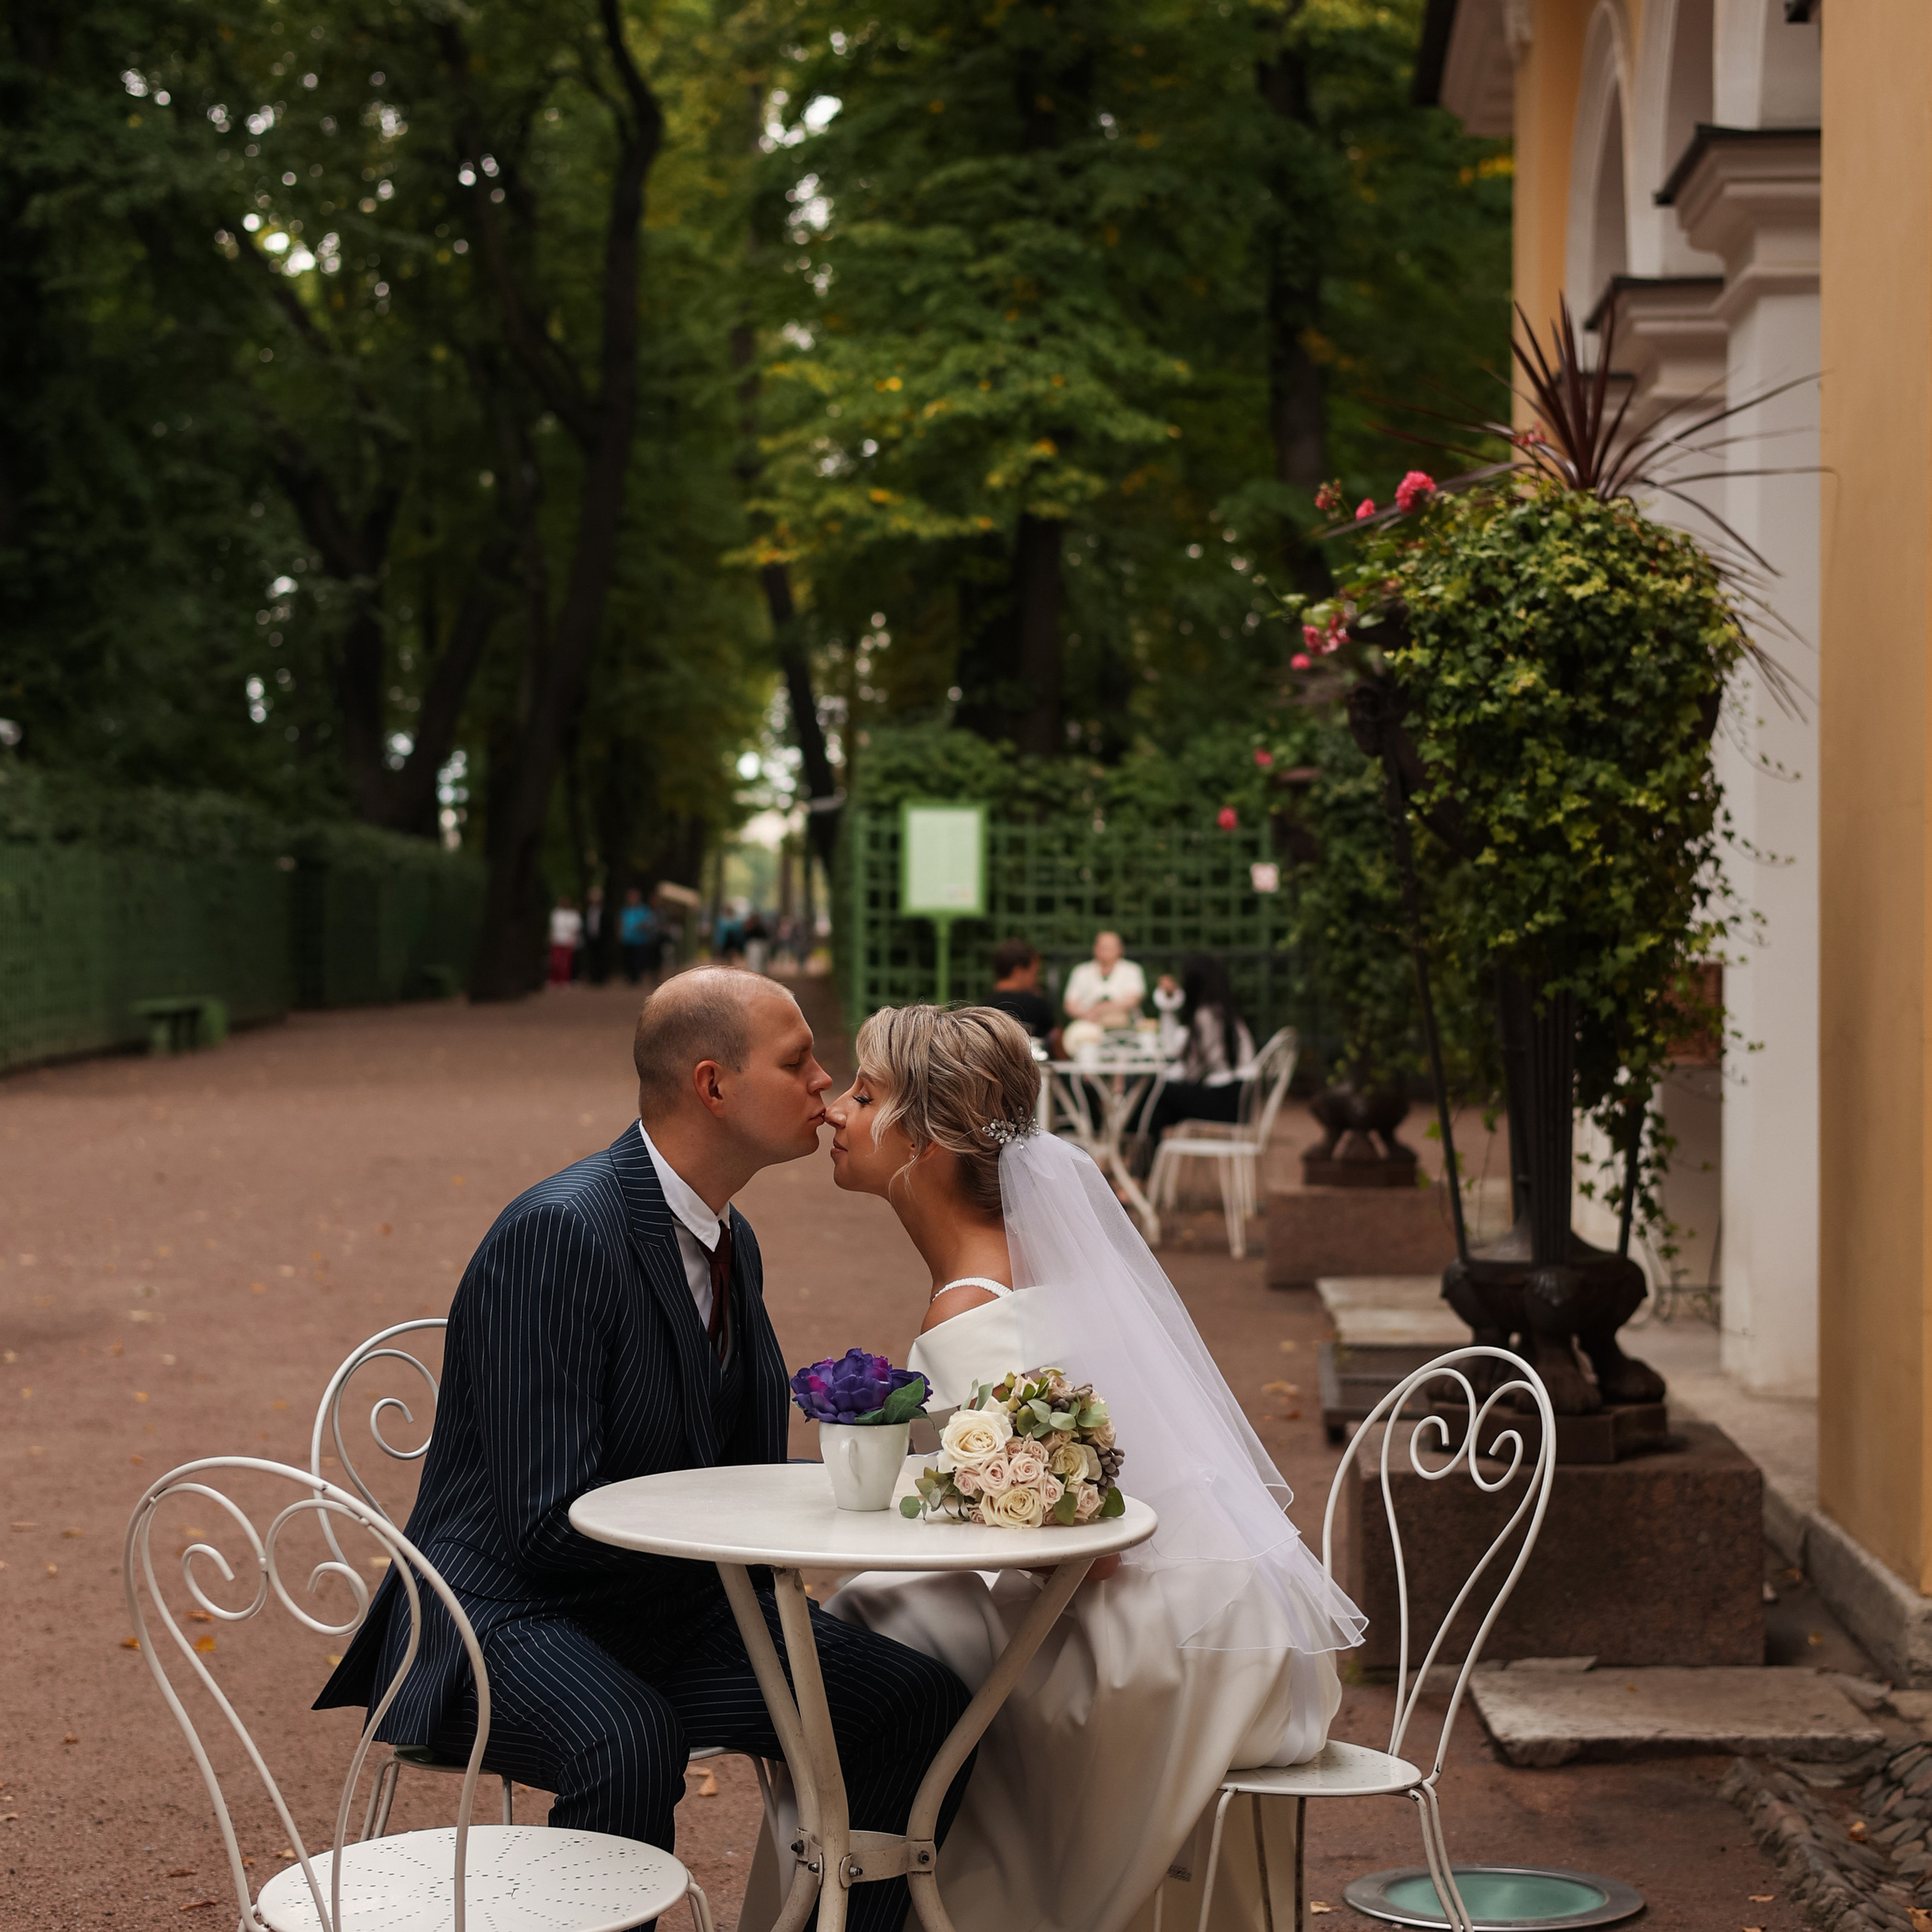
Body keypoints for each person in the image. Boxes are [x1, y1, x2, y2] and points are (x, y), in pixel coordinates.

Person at [315, 971, 975, 1932]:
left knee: (913, 1699)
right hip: (496, 1616)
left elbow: (733, 1465)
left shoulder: (729, 1240)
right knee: (627, 1739)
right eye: (798, 1062)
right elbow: (544, 1524)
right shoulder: (558, 1232)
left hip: (664, 1607)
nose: (827, 1085)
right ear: (713, 1086)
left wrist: (847, 1495)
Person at [820, 1005, 1364, 1932]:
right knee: (893, 1605)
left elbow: (1089, 1553)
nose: (834, 1109)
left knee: (872, 1627)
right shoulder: (1039, 1259)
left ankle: (868, 1887)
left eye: (863, 1093)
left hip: (1152, 1645)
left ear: (929, 1141)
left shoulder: (968, 1302)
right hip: (1221, 1606)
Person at [1142, 954, 1260, 1144]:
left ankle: (1139, 1161)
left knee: (1156, 1090)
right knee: (1161, 1108)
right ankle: (1145, 1165)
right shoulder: (1226, 1011)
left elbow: (1192, 1071)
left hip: (1226, 1103)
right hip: (1241, 1100)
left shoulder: (1206, 1015)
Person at [1061, 930, 1146, 1034]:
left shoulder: (1132, 970)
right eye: (1103, 947)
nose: (1106, 951)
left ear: (1120, 949)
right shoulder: (1081, 971)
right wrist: (1086, 1015)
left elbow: (1133, 1000)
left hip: (1125, 1029)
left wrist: (1099, 1009)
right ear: (1095, 949)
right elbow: (1069, 1005)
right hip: (1088, 1028)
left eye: (1111, 947)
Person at [983, 938, 1057, 1052]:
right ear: (1019, 972)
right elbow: (1055, 1039)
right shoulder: (1036, 1005)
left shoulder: (984, 1007)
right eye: (1035, 972)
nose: (1037, 979)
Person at [619, 888, 657, 986]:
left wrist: (641, 926)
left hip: (640, 940)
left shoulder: (644, 910)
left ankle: (637, 978)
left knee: (639, 960)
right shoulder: (625, 910)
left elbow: (650, 922)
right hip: (627, 939)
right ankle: (630, 978)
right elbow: (621, 923)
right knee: (628, 960)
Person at [546, 897, 582, 989]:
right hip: (556, 940)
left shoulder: (573, 915)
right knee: (555, 961)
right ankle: (555, 979)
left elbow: (575, 929)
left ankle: (565, 980)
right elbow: (553, 927)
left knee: (566, 962)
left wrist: (574, 940)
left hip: (567, 941)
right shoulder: (556, 914)